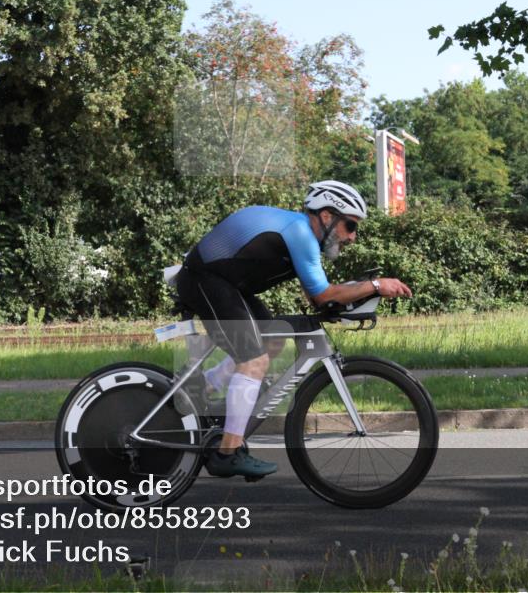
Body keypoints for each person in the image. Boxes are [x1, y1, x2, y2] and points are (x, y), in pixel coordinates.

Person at [175, 180, 414, 478]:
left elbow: (317, 297)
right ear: (327, 217)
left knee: (272, 340)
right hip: (205, 281)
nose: (353, 237)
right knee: (254, 360)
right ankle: (228, 453)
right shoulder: (300, 232)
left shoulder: (303, 236)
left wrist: (354, 297)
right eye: (350, 226)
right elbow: (325, 295)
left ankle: (200, 389)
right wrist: (377, 285)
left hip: (223, 284)